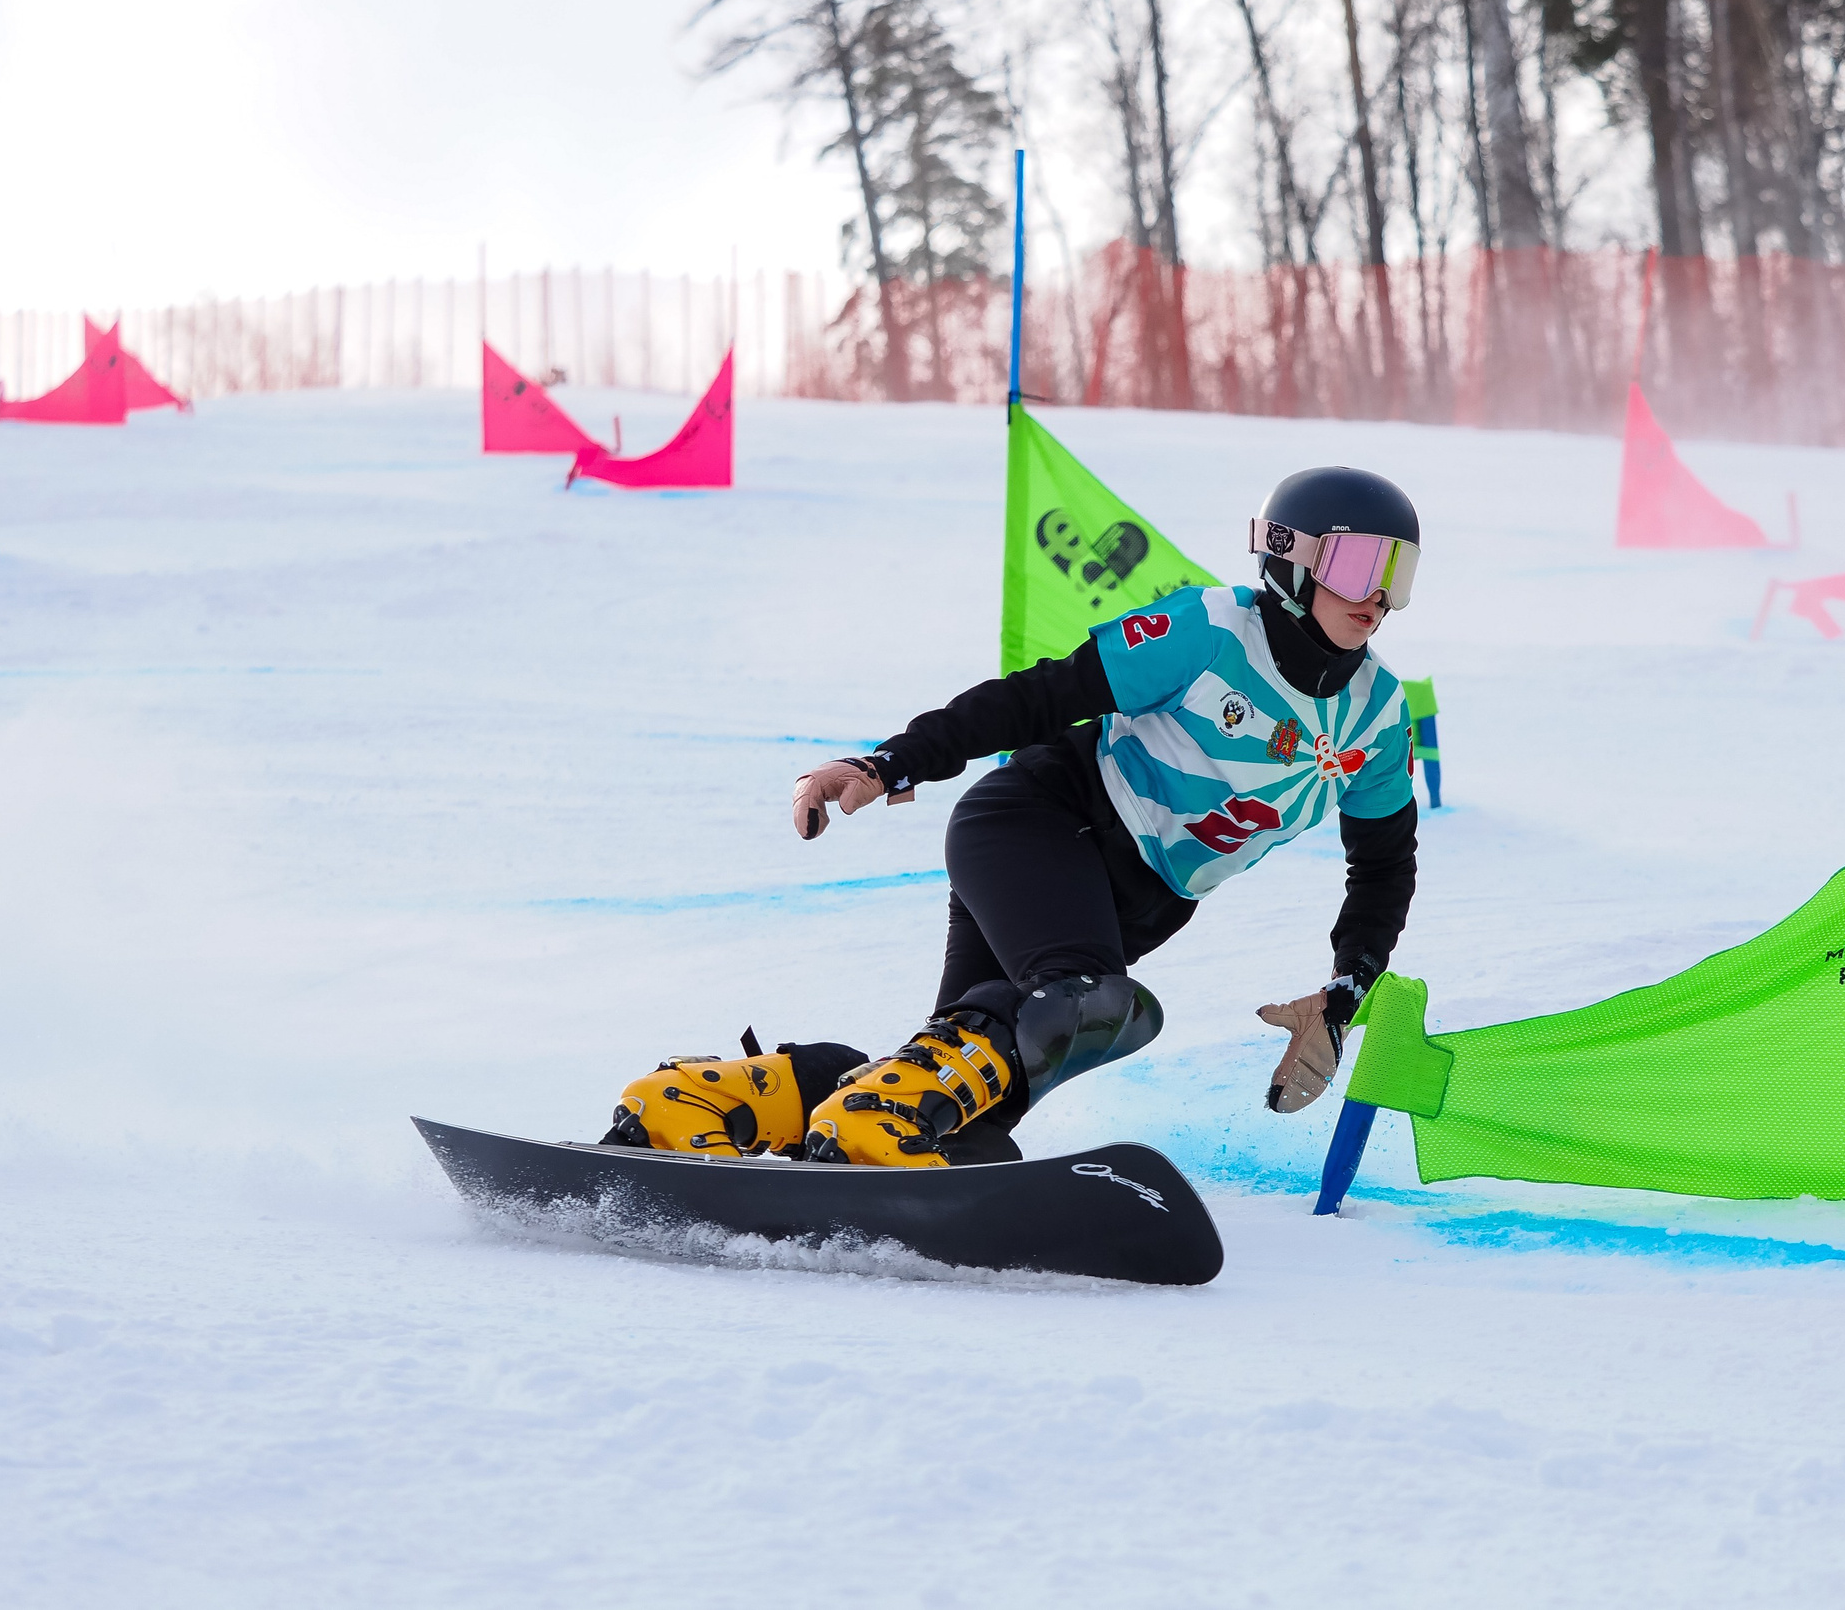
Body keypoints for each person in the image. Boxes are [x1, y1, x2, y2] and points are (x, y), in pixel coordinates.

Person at [601, 466, 1422, 1168]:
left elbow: (1383, 867)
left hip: (1136, 903)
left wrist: (1343, 995)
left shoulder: (1377, 717)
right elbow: (1040, 697)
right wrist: (889, 761)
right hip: (1037, 824)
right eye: (1358, 563)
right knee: (1097, 1004)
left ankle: (708, 1102)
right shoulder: (1207, 631)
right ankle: (846, 1124)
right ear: (1292, 556)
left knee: (954, 1100)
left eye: (1400, 571)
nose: (1378, 595)